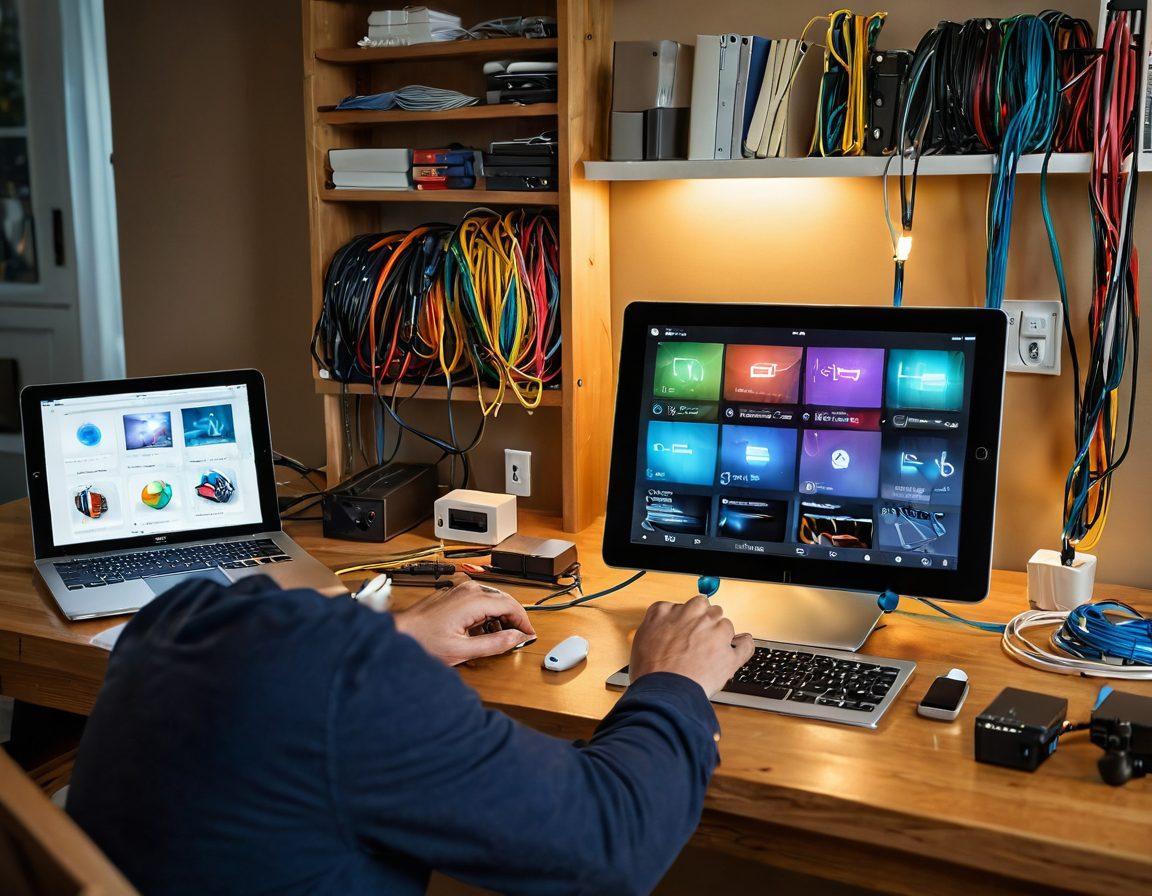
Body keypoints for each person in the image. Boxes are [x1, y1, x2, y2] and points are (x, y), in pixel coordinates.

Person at [67, 574, 754, 895]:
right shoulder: (354, 689)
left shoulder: (181, 614)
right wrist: (673, 677)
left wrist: (394, 633)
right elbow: (615, 840)